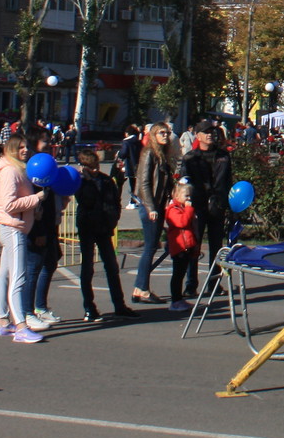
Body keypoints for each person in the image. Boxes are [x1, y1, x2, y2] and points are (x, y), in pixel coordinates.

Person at [0, 135, 46, 344]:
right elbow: (9, 205)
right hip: (13, 228)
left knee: (5, 276)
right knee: (18, 277)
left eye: (27, 146)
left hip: (16, 227)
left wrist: (35, 209)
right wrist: (37, 198)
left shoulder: (19, 170)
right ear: (11, 150)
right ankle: (21, 327)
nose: (25, 150)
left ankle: (4, 323)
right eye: (20, 147)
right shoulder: (10, 172)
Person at [74, 149, 135, 321]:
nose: (95, 170)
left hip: (104, 227)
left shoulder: (106, 180)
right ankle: (89, 308)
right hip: (87, 227)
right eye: (90, 167)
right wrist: (86, 181)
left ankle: (119, 305)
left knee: (111, 267)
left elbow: (114, 201)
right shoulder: (80, 183)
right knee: (87, 267)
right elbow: (85, 201)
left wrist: (113, 219)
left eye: (96, 166)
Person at [179, 125, 233, 294]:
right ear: (197, 135)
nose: (210, 135)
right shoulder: (190, 158)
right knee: (194, 245)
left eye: (212, 132)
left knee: (216, 246)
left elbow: (228, 181)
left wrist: (228, 205)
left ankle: (214, 284)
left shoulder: (223, 156)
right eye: (206, 132)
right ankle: (191, 284)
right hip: (198, 205)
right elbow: (184, 183)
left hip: (217, 205)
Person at [131, 122, 177, 304]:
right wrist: (151, 207)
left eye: (168, 132)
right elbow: (144, 183)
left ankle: (139, 288)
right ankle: (142, 289)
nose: (166, 135)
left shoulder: (162, 155)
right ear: (153, 135)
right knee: (149, 248)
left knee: (151, 248)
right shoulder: (149, 153)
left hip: (158, 205)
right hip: (150, 207)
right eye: (162, 133)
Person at [26, 176, 64, 329]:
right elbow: (36, 208)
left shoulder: (50, 177)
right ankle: (27, 313)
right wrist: (38, 232)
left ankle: (41, 307)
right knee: (33, 270)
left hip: (51, 227)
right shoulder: (35, 178)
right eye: (46, 149)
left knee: (49, 265)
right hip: (39, 229)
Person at [164, 180, 201, 315]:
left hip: (187, 246)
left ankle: (179, 299)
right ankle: (175, 300)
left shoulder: (183, 209)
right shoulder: (173, 210)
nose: (189, 199)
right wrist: (189, 209)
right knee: (178, 275)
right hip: (178, 247)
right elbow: (183, 222)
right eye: (186, 196)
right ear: (177, 195)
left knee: (182, 272)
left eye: (190, 196)